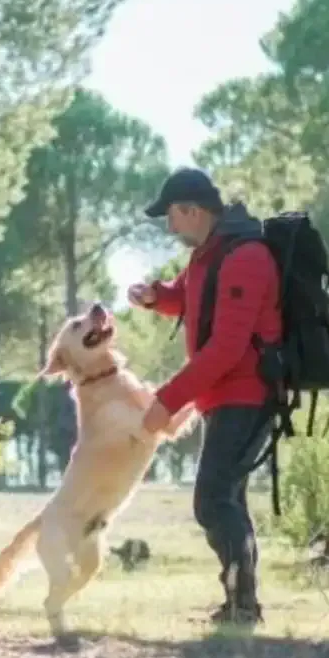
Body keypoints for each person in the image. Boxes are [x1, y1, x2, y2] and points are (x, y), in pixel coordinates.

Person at [130, 167, 281, 626]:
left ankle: (243, 605)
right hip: (224, 398)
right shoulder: (210, 254)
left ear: (193, 211)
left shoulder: (245, 256)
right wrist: (157, 297)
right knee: (226, 499)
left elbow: (227, 348)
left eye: (172, 217)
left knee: (212, 500)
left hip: (248, 396)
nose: (170, 227)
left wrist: (167, 400)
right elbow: (191, 297)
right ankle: (242, 603)